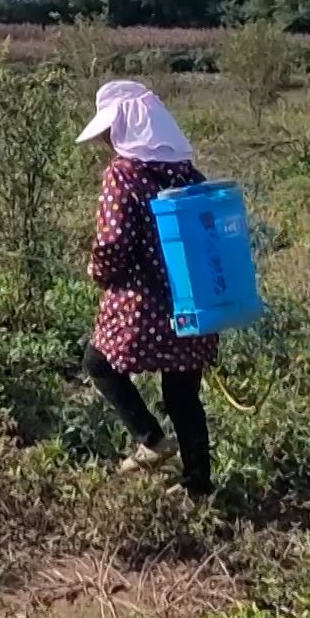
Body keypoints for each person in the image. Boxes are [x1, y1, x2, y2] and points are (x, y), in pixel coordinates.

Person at [77, 79, 218, 497]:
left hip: (145, 306)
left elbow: (112, 241)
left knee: (98, 363)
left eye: (108, 131)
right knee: (183, 395)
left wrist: (99, 271)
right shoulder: (188, 171)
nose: (105, 140)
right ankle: (198, 485)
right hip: (194, 302)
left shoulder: (124, 174)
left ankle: (151, 440)